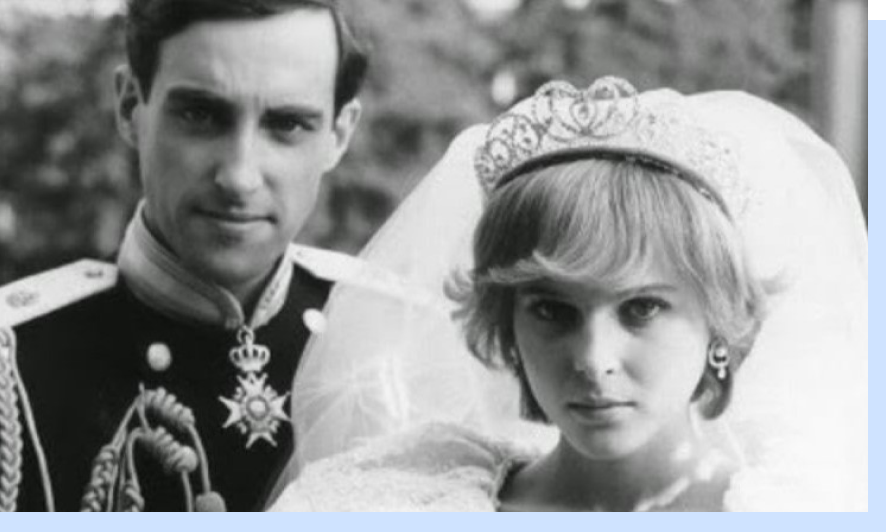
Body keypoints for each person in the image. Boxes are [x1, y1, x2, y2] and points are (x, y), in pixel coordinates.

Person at [269, 77, 868, 511]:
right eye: (552, 310)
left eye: (642, 308)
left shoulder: (805, 510)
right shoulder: (390, 502)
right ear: (507, 324)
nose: (593, 358)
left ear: (720, 318)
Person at [0, 0, 427, 512]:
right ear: (130, 107)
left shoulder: (407, 343)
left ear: (339, 135)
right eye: (201, 115)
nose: (239, 177)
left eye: (287, 124)